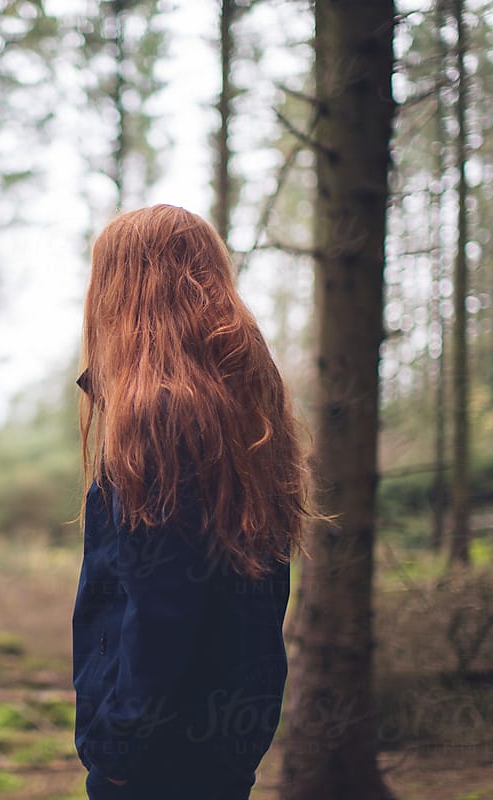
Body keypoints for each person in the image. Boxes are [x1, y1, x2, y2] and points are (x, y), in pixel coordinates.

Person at [71, 204, 319, 799]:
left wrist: (119, 748)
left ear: (126, 291)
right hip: (222, 741)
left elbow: (161, 611)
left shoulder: (162, 417)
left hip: (157, 757)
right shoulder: (245, 411)